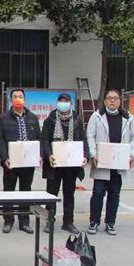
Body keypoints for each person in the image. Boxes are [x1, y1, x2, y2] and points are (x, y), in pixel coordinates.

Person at [86, 88, 134, 236]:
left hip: (119, 163)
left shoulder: (128, 117)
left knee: (114, 194)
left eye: (115, 98)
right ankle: (94, 221)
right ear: (105, 101)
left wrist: (132, 155)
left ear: (119, 101)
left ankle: (110, 222)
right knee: (98, 193)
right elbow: (90, 135)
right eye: (109, 98)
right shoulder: (97, 116)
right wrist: (93, 154)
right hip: (101, 161)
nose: (112, 100)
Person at [40, 92, 87, 234]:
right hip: (54, 164)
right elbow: (45, 140)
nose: (63, 104)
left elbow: (83, 140)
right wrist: (48, 155)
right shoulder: (50, 120)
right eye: (61, 101)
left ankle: (68, 222)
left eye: (66, 101)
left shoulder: (77, 120)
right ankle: (49, 221)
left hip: (71, 165)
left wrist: (84, 156)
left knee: (69, 194)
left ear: (71, 104)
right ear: (57, 104)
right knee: (51, 194)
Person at [0, 87, 42, 234]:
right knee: (8, 191)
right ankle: (8, 220)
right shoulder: (3, 118)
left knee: (25, 191)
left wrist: (39, 155)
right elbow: (0, 140)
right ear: (11, 100)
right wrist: (4, 158)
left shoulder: (33, 117)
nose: (18, 99)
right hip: (11, 162)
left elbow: (39, 138)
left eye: (20, 96)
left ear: (24, 99)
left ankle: (24, 222)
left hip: (28, 162)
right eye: (15, 96)